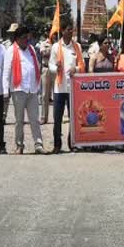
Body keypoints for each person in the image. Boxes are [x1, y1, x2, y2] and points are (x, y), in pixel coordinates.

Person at [3, 25, 44, 154]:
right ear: (17, 39)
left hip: (32, 90)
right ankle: (19, 145)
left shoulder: (31, 49)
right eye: (24, 38)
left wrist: (38, 87)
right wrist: (5, 91)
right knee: (19, 120)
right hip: (18, 90)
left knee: (34, 119)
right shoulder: (11, 50)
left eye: (28, 37)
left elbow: (36, 67)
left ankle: (38, 144)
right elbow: (6, 71)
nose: (27, 40)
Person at [49, 22, 86, 153]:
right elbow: (50, 66)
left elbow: (82, 66)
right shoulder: (55, 47)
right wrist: (56, 68)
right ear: (62, 31)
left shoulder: (77, 47)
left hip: (72, 89)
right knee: (57, 118)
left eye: (72, 30)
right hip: (59, 88)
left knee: (73, 118)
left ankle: (73, 143)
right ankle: (57, 145)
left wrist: (75, 69)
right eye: (68, 30)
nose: (71, 32)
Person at [39, 32, 54, 125]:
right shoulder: (44, 44)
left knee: (57, 93)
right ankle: (43, 117)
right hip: (46, 68)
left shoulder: (59, 44)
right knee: (45, 95)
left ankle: (57, 118)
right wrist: (53, 52)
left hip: (56, 70)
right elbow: (43, 53)